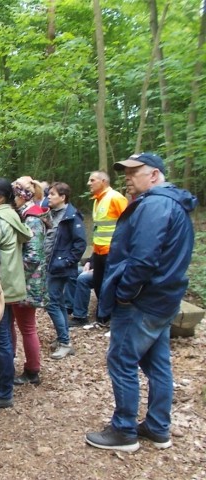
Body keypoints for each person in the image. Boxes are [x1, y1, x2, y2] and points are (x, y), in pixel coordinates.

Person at [85, 153, 196, 452]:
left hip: (143, 301)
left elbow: (143, 259)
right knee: (157, 363)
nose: (128, 179)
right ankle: (158, 428)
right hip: (164, 298)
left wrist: (124, 293)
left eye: (135, 173)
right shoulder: (173, 203)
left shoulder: (155, 205)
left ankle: (124, 431)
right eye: (126, 174)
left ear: (155, 175)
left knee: (121, 361)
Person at [0, 178, 32, 409]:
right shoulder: (13, 216)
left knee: (1, 341)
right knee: (6, 339)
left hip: (0, 287)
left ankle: (2, 392)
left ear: (0, 197)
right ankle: (3, 384)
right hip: (12, 287)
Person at [11, 176, 49, 385]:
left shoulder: (32, 218)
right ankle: (21, 364)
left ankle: (32, 370)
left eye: (14, 195)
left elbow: (33, 256)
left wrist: (12, 270)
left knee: (27, 327)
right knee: (23, 325)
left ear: (21, 196)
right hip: (25, 281)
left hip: (26, 282)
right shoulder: (26, 215)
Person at [44, 182, 87, 360]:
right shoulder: (52, 214)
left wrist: (66, 262)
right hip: (50, 264)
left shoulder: (72, 217)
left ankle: (65, 342)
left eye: (52, 194)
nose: (48, 197)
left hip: (59, 266)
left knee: (51, 302)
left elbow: (80, 244)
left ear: (63, 197)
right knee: (58, 302)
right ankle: (63, 338)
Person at [84, 170, 128, 327]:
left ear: (103, 181)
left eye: (92, 180)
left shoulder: (116, 198)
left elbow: (128, 224)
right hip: (98, 252)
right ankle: (103, 317)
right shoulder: (97, 200)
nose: (89, 183)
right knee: (98, 285)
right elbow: (99, 230)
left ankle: (111, 319)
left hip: (113, 252)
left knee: (111, 286)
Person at [69, 262, 94, 327]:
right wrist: (88, 263)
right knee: (72, 271)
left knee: (83, 279)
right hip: (95, 268)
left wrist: (97, 270)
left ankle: (80, 316)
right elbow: (95, 256)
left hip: (106, 271)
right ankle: (69, 306)